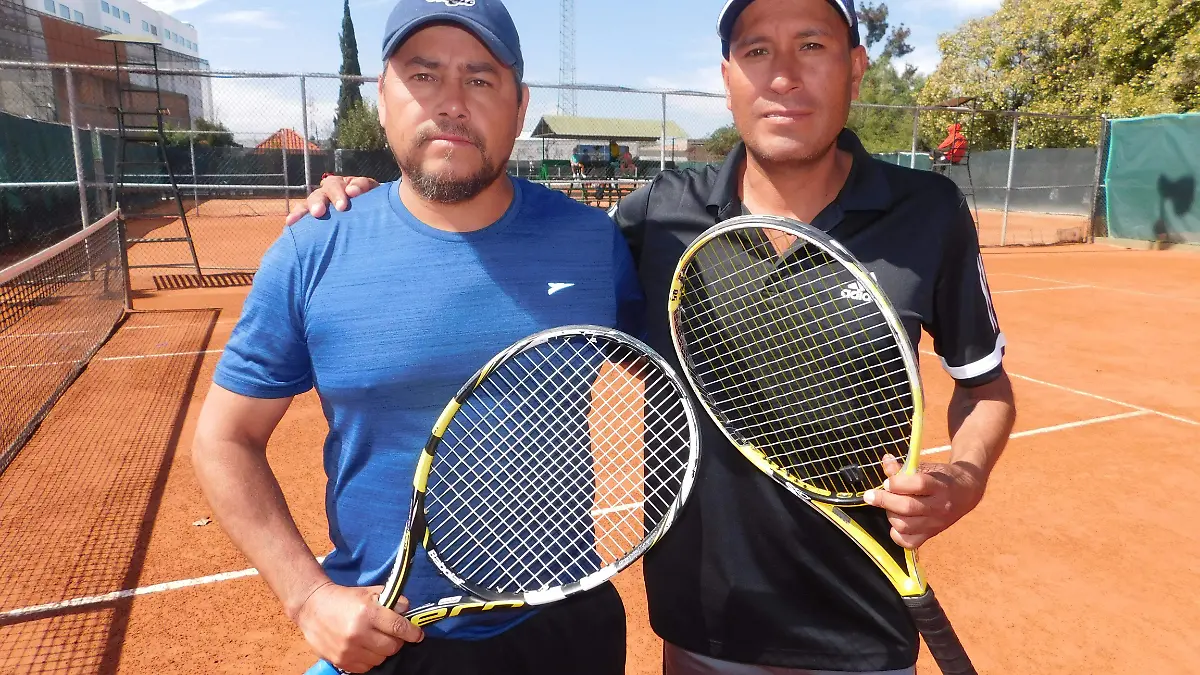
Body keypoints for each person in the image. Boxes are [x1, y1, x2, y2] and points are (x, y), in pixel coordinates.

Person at [290, 0, 1018, 673]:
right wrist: (374, 199)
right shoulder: (658, 217)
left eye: (812, 44)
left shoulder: (929, 212)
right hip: (704, 636)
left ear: (855, 66)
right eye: (758, 50)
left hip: (865, 634)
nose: (785, 74)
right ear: (728, 77)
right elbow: (509, 251)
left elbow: (985, 386)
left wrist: (964, 476)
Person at [192, 1, 641, 674]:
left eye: (480, 79)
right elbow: (224, 438)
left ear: (520, 106)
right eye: (423, 75)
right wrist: (309, 595)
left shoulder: (594, 243)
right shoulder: (313, 249)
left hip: (565, 628)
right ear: (383, 97)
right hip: (391, 636)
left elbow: (688, 382)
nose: (451, 103)